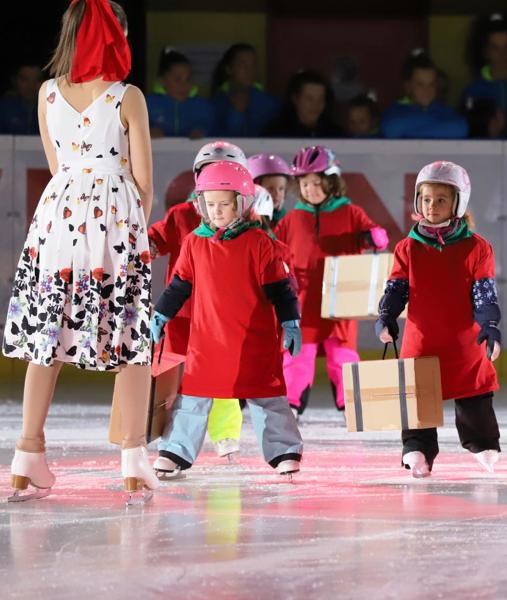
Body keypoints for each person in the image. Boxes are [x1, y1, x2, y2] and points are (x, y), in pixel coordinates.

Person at [3, 0, 159, 503]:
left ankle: (27, 456)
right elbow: (144, 182)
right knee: (131, 337)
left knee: (47, 335)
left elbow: (57, 165)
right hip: (114, 217)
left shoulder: (47, 94)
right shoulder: (126, 96)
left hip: (58, 218)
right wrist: (131, 228)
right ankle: (134, 460)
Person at [149, 161, 304, 480]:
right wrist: (161, 313)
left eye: (225, 204)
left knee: (267, 397)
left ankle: (284, 450)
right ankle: (176, 450)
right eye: (210, 204)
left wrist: (290, 322)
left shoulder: (260, 242)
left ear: (241, 204)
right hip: (207, 342)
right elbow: (179, 285)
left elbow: (280, 289)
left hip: (253, 341)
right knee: (193, 397)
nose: (217, 211)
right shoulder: (194, 242)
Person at [375, 161, 502, 478]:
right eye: (427, 199)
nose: (432, 206)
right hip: (421, 340)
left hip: (464, 342)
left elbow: (484, 293)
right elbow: (396, 288)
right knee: (417, 395)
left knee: (474, 393)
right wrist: (387, 316)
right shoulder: (408, 248)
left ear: (458, 203)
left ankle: (483, 443)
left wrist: (490, 325)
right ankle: (417, 448)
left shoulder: (477, 248)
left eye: (441, 199)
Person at [274, 146, 388, 417]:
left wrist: (375, 237)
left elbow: (375, 233)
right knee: (298, 353)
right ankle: (292, 400)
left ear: (331, 182)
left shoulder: (350, 213)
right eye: (304, 184)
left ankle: (350, 401)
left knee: (343, 355)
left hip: (341, 298)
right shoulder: (292, 219)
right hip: (303, 298)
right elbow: (273, 247)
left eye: (316, 182)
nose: (310, 189)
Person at [460, 13, 507, 137]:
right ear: (485, 52)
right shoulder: (473, 91)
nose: (502, 54)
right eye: (495, 48)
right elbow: (467, 135)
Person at [381, 50, 468, 139]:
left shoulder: (445, 109)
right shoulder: (396, 109)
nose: (427, 90)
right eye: (420, 84)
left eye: (431, 84)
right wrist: (438, 121)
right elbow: (391, 130)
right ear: (408, 87)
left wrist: (407, 132)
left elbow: (460, 129)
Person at [210, 43, 279, 137]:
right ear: (229, 69)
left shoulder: (270, 104)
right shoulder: (214, 105)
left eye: (253, 65)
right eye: (243, 65)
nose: (249, 70)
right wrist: (237, 114)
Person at [145, 48, 213, 139]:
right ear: (162, 80)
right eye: (177, 79)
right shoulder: (147, 104)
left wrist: (201, 131)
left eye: (188, 79)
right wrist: (149, 131)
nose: (184, 85)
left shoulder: (202, 105)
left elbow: (214, 129)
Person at [264, 70, 343, 138]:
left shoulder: (335, 134)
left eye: (320, 99)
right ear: (295, 99)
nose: (315, 105)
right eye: (309, 99)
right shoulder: (276, 133)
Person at [247, 153, 293, 225]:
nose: (277, 194)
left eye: (281, 189)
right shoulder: (248, 222)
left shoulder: (284, 218)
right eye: (270, 189)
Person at [0, 63, 44, 134]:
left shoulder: (51, 109)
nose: (31, 86)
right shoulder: (4, 108)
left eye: (37, 79)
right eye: (25, 79)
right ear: (14, 81)